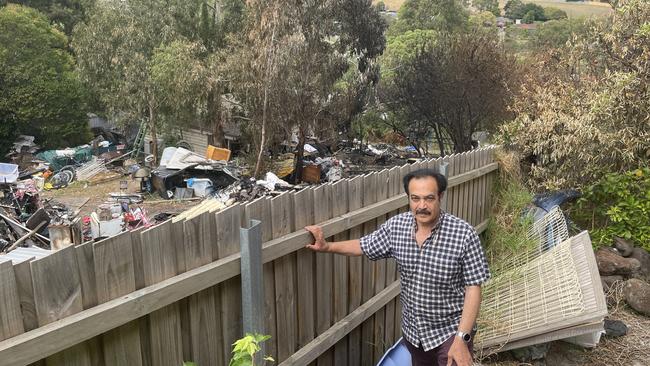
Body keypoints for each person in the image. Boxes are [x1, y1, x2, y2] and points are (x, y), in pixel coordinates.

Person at [305, 168, 490, 366]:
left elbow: (473, 288)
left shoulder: (463, 235)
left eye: (429, 198)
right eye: (415, 198)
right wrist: (327, 246)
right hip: (414, 334)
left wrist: (462, 338)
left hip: (449, 333)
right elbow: (363, 245)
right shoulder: (396, 227)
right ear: (408, 198)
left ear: (440, 196)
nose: (422, 206)